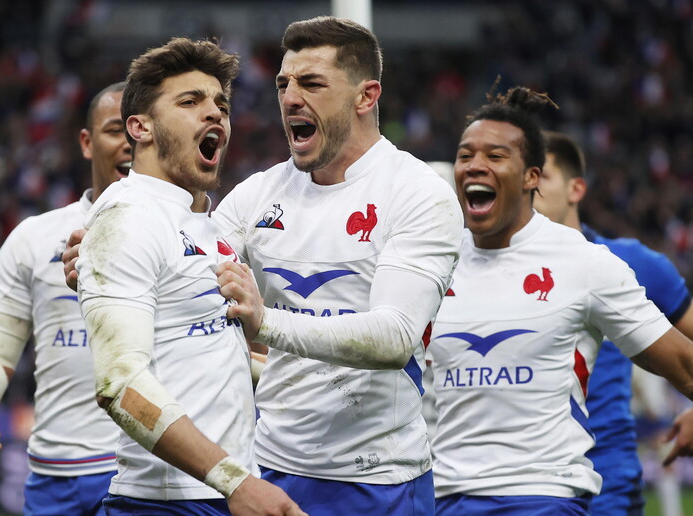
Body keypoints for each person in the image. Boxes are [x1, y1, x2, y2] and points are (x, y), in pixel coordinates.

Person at [212, 16, 462, 515]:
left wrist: (267, 322)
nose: (289, 98)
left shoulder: (416, 194)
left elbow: (394, 338)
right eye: (284, 83)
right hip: (269, 469)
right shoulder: (259, 194)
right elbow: (188, 267)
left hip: (376, 482)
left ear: (366, 96)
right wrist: (116, 248)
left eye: (312, 83)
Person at [425, 83, 693, 515]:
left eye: (495, 156)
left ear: (533, 177)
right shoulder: (430, 265)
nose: (475, 165)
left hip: (542, 495)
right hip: (442, 498)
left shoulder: (585, 264)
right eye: (464, 155)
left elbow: (684, 364)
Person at [73, 37, 304, 516]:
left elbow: (212, 354)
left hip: (221, 490)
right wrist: (236, 482)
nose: (215, 113)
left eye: (221, 103)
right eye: (190, 101)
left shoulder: (204, 225)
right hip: (164, 503)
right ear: (140, 127)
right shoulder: (127, 217)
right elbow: (121, 385)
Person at [0, 81, 131, 516]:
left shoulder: (194, 237)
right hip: (56, 479)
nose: (130, 144)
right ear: (87, 143)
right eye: (115, 131)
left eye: (141, 132)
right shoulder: (34, 238)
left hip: (148, 473)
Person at [534, 130, 693, 515]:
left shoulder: (631, 263)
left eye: (543, 178)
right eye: (526, 176)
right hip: (528, 485)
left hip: (607, 484)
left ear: (576, 189)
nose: (530, 188)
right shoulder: (489, 269)